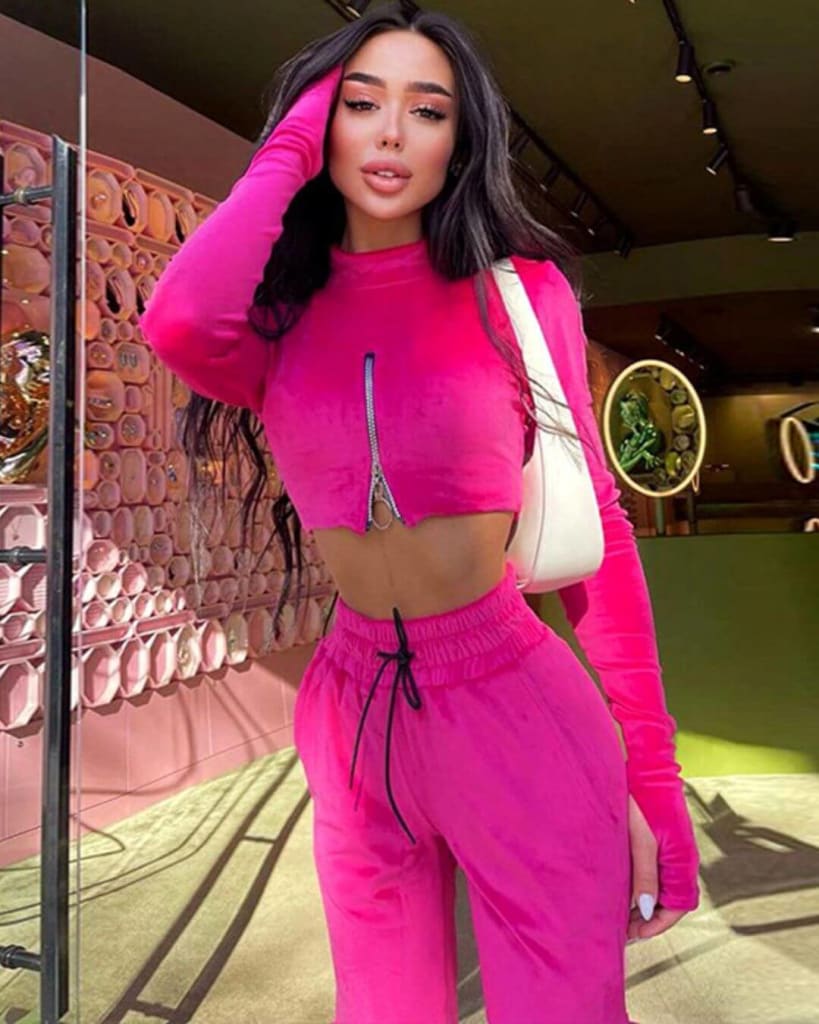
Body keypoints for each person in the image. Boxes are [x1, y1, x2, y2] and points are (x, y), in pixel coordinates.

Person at [140, 4, 700, 1022]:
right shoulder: (279, 318)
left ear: (461, 139)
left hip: (511, 703)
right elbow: (177, 319)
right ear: (320, 123)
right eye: (361, 104)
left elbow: (602, 534)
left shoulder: (519, 294)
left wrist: (655, 782)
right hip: (352, 710)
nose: (392, 133)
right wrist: (291, 148)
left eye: (428, 110)